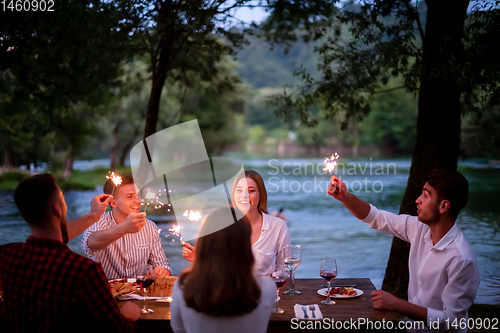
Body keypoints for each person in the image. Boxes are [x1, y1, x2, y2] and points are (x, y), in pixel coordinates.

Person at [327, 169, 480, 332]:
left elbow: (452, 323)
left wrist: (396, 304)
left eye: (426, 195)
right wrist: (345, 196)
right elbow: (376, 217)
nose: (417, 200)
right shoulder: (419, 228)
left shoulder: (461, 259)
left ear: (444, 206)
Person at [0, 174, 140, 332]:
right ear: (57, 209)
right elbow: (119, 330)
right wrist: (127, 316)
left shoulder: (7, 256)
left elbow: (55, 238)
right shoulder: (84, 271)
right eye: (62, 198)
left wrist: (94, 215)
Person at [170, 207, 276, 333]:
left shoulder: (183, 286)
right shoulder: (267, 288)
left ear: (204, 242)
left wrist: (200, 259)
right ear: (245, 243)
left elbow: (178, 330)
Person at [182, 170, 291, 276]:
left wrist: (270, 277)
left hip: (265, 293)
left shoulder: (278, 226)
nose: (244, 196)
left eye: (251, 191)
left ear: (261, 195)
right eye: (239, 190)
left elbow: (286, 270)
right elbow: (215, 272)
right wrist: (199, 259)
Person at [81, 175, 171, 279]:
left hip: (138, 292)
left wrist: (161, 271)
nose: (138, 201)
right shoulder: (99, 221)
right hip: (105, 292)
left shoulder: (150, 227)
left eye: (138, 195)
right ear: (113, 203)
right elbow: (89, 244)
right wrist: (124, 228)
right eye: (130, 197)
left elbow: (162, 264)